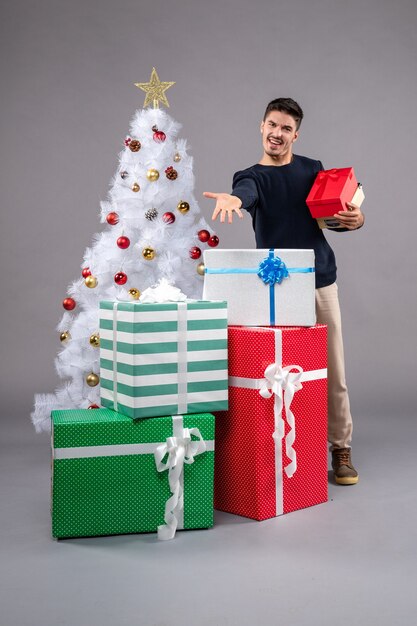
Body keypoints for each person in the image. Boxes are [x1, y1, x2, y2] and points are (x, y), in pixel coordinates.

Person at [203, 97, 364, 485]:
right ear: (261, 127)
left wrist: (355, 219)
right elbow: (245, 194)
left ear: (296, 134)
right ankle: (274, 448)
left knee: (333, 371)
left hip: (318, 279)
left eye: (286, 128)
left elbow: (333, 216)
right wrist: (233, 200)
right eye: (272, 125)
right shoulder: (251, 176)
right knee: (272, 372)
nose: (278, 134)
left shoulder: (313, 169)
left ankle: (340, 449)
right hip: (272, 287)